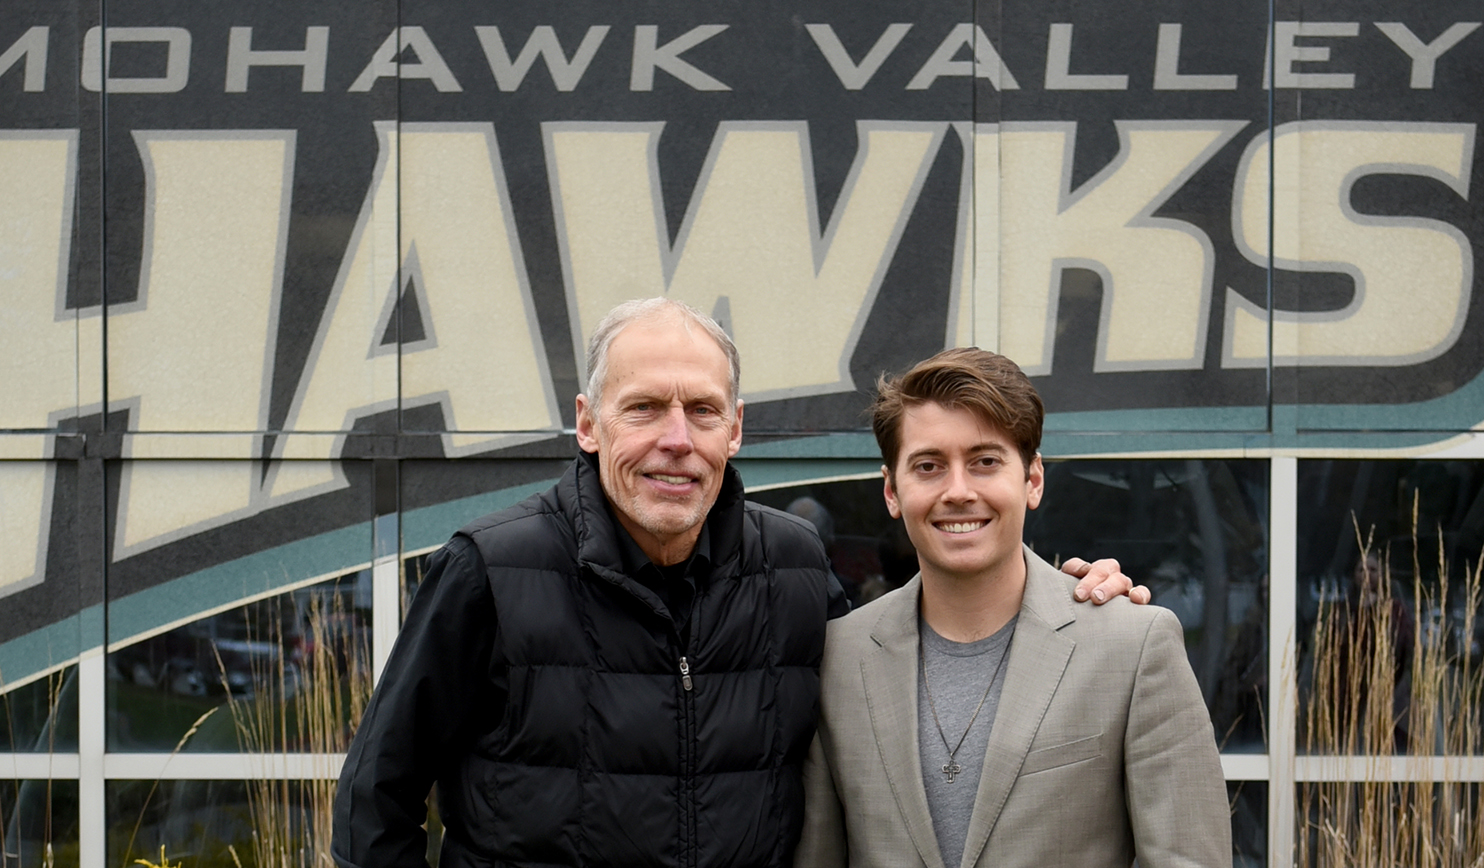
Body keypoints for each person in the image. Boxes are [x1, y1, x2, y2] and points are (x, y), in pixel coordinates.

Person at [331, 300, 1142, 868]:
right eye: (644, 408)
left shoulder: (794, 568)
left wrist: (1066, 598)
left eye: (703, 410)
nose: (676, 440)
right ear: (587, 423)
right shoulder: (490, 570)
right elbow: (377, 798)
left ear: (737, 426)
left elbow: (915, 652)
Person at [794, 347, 1229, 868]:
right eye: (929, 466)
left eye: (985, 462)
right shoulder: (839, 656)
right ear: (892, 490)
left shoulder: (1133, 647)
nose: (958, 491)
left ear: (1033, 480)